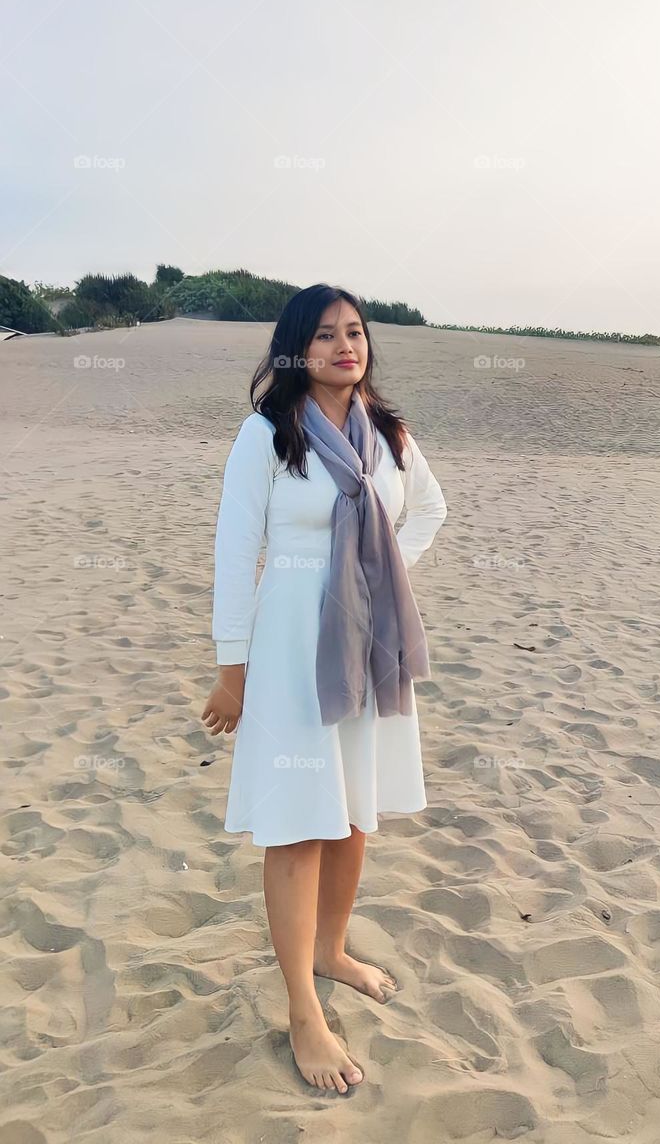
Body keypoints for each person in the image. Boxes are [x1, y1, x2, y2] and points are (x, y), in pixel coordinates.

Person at [201, 284, 448, 1094]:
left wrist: (381, 574)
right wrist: (231, 671)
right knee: (297, 826)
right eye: (327, 335)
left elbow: (429, 512)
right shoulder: (266, 434)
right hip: (287, 649)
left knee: (349, 814)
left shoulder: (388, 434)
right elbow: (236, 554)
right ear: (294, 349)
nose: (346, 346)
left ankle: (330, 948)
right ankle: (302, 1009)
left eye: (355, 332)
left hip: (367, 639)